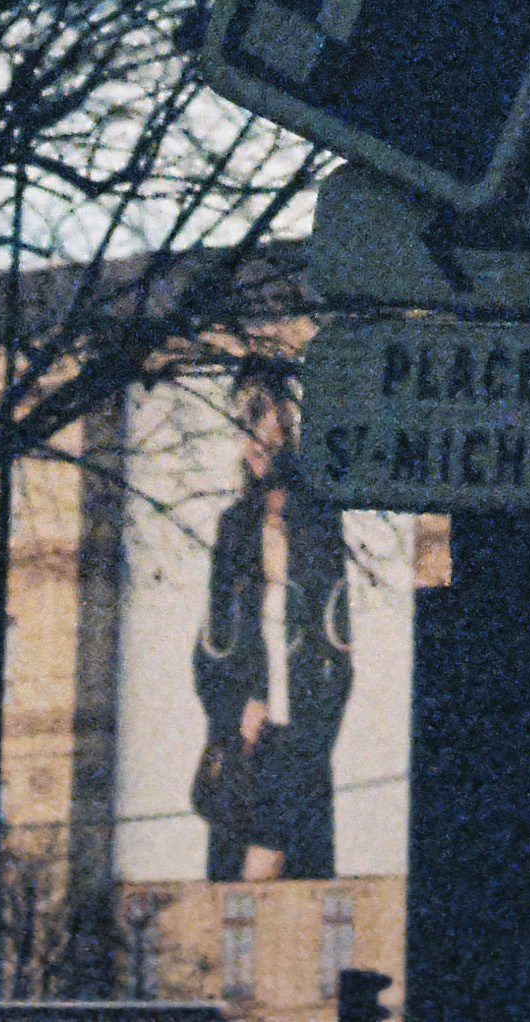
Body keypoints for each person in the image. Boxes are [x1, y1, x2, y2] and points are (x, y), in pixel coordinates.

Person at [192, 360, 354, 879]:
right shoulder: (234, 526)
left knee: (295, 873)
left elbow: (336, 637)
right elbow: (213, 638)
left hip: (302, 726)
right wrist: (236, 708)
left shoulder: (319, 519)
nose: (256, 438)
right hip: (247, 733)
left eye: (264, 419)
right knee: (237, 874)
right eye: (245, 424)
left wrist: (316, 726)